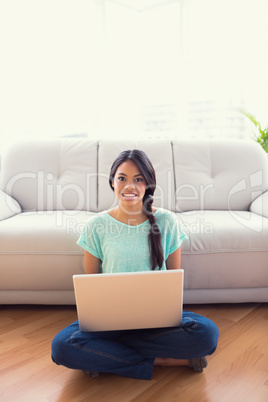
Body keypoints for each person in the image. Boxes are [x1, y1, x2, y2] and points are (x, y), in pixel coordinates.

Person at [51, 149, 219, 380]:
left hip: (156, 321)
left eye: (138, 179)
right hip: (108, 321)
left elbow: (172, 282)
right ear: (112, 183)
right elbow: (90, 289)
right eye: (122, 178)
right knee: (62, 346)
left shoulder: (167, 222)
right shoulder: (96, 226)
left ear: (148, 184)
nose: (129, 186)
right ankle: (161, 361)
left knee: (207, 334)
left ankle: (108, 356)